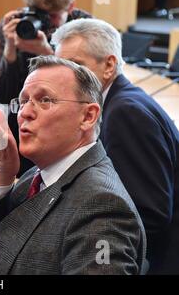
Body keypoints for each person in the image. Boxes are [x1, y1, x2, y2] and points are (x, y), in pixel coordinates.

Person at [0, 56, 147, 275]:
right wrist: (1, 175)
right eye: (23, 101)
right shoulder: (34, 177)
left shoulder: (103, 206)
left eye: (45, 100)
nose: (24, 112)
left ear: (88, 116)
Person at [52, 18, 179, 274]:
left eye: (76, 66)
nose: (66, 78)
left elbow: (148, 213)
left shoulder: (125, 113)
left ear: (109, 65)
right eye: (60, 67)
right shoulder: (120, 101)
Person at [0, 0, 91, 177]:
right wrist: (10, 52)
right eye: (39, 14)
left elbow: (89, 89)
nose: (45, 23)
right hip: (22, 124)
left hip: (64, 132)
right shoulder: (17, 25)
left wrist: (49, 55)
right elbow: (3, 95)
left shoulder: (83, 27)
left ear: (70, 7)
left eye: (52, 16)